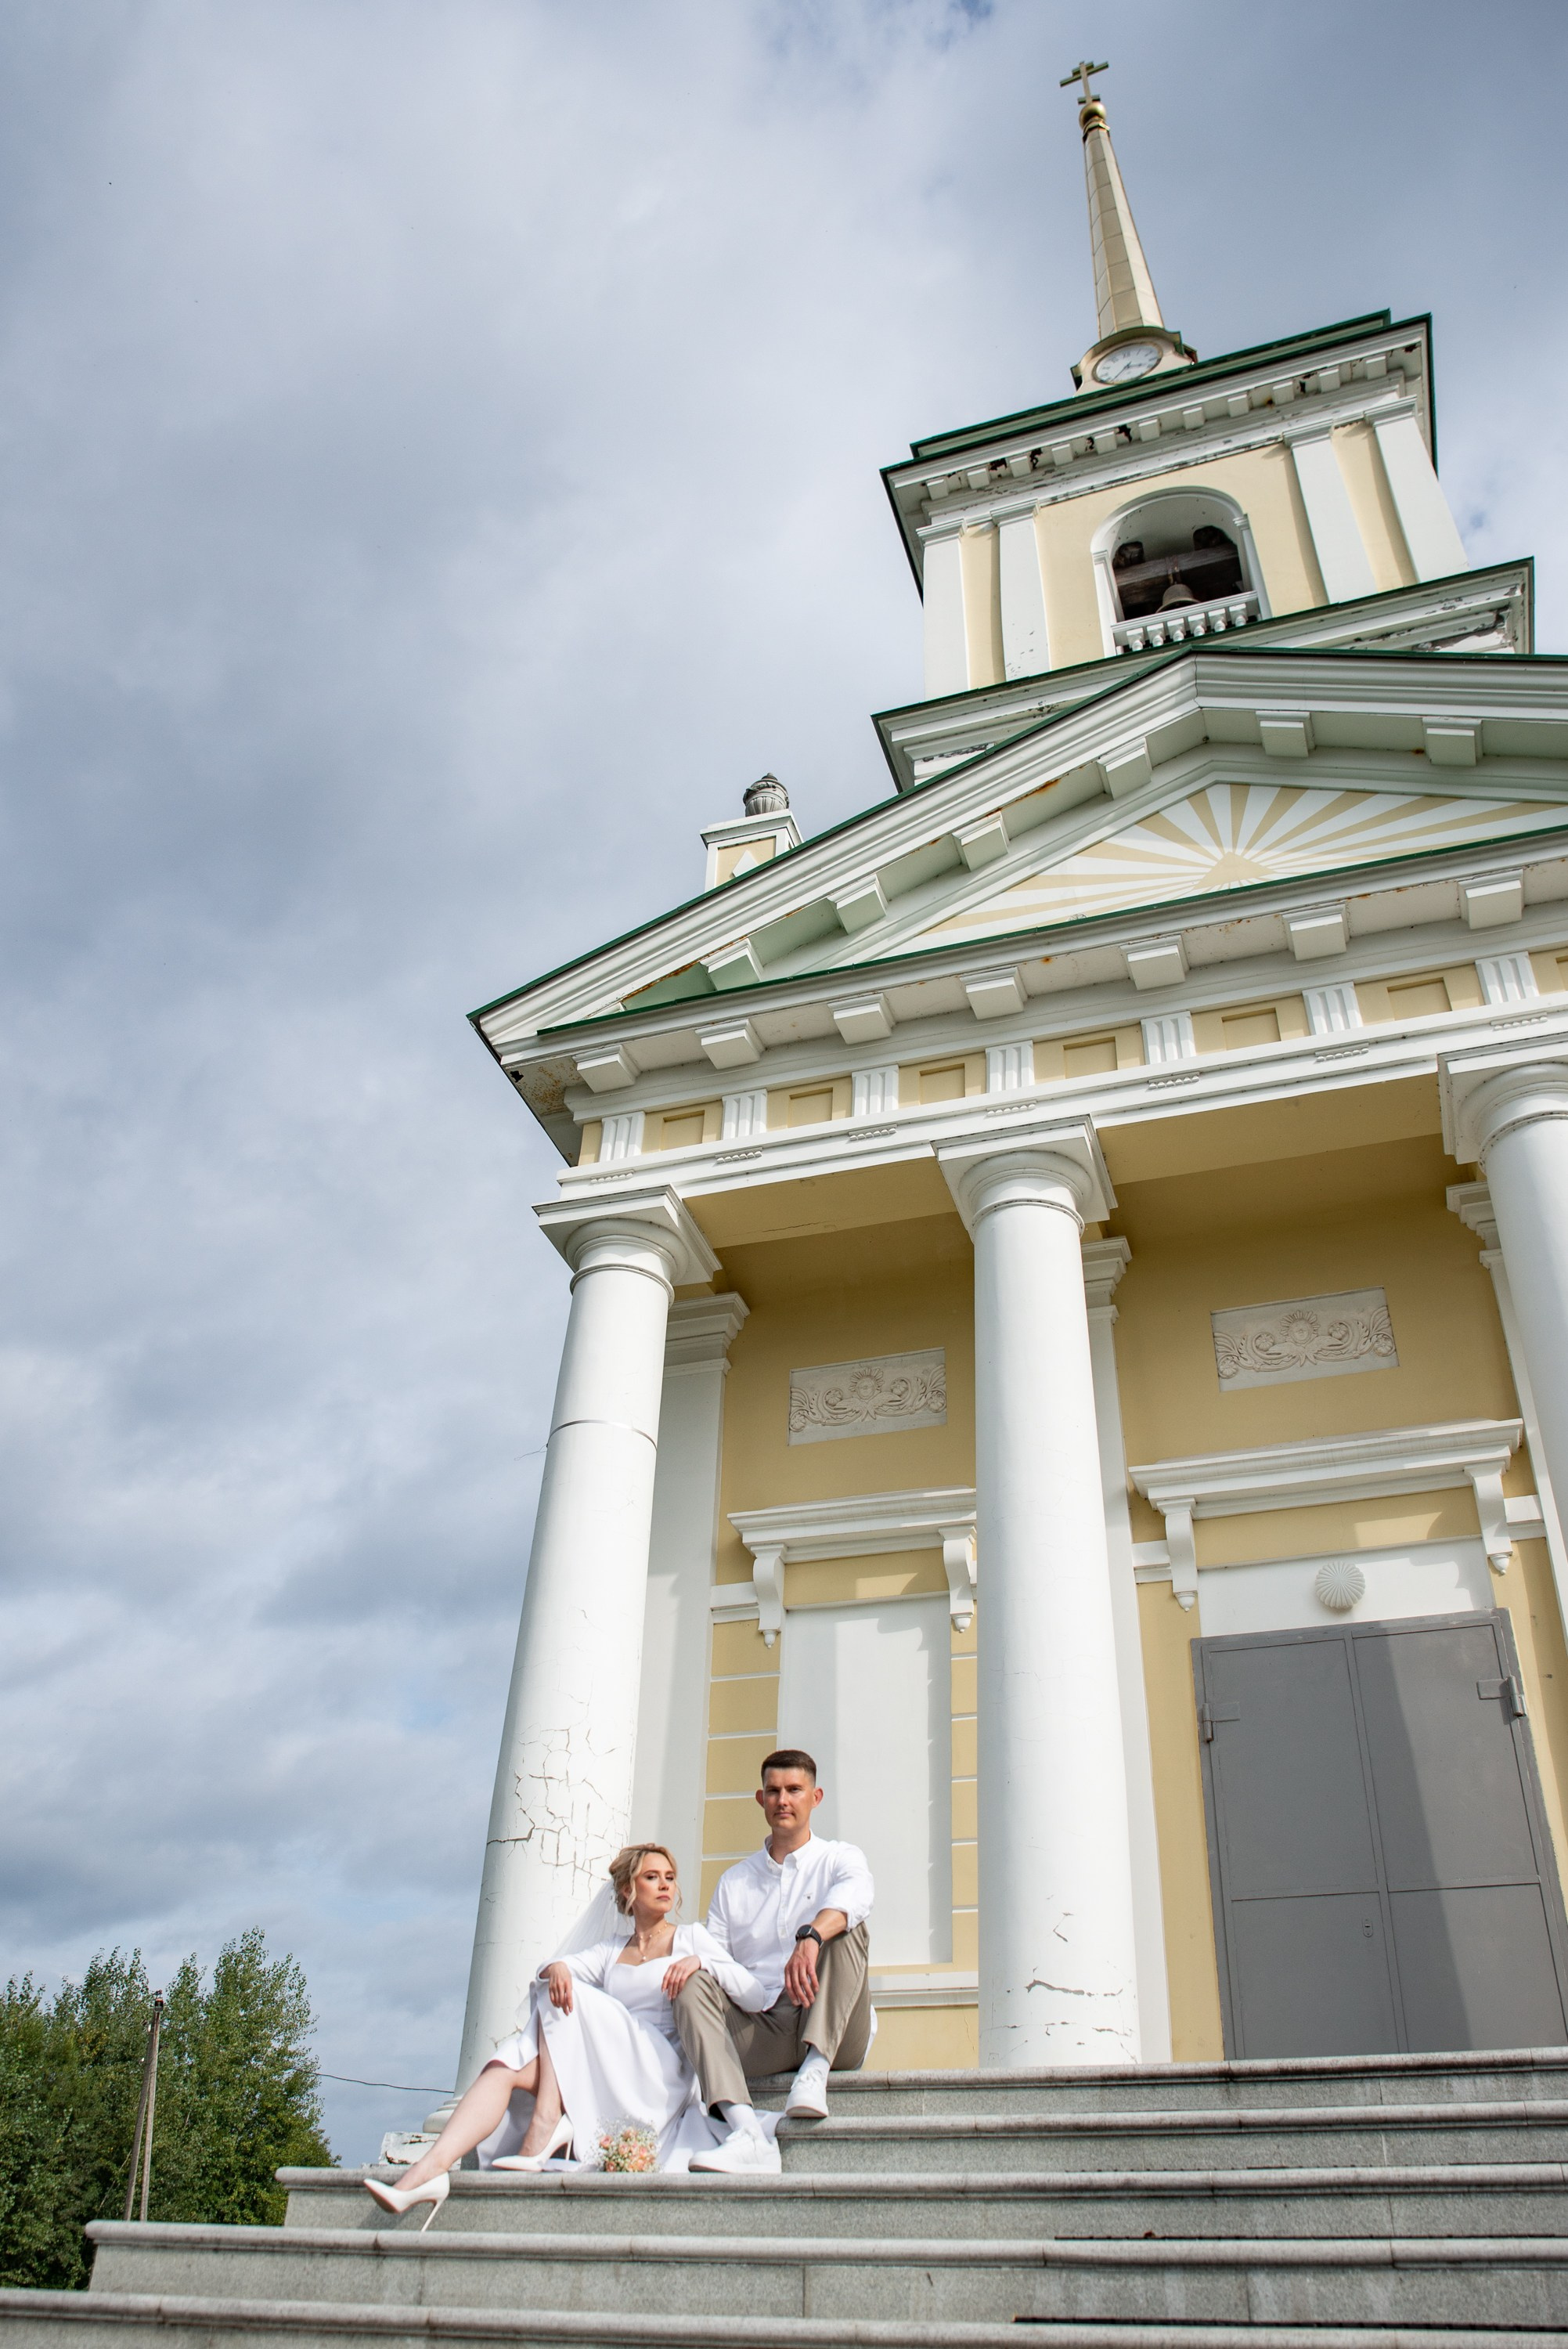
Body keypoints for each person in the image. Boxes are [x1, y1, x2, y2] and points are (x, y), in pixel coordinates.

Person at [363, 1842, 771, 2223]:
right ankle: (428, 2172)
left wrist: (702, 1963)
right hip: (611, 2066)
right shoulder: (612, 1950)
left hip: (660, 2072)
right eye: (652, 1877)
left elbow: (754, 1995)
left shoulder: (691, 1938)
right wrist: (555, 1967)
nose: (665, 1884)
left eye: (669, 1877)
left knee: (570, 1996)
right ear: (629, 1888)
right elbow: (548, 1971)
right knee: (505, 2066)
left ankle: (547, 2119)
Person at [672, 1747, 874, 2176]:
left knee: (847, 1926)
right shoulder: (734, 1882)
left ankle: (813, 2073)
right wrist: (696, 1962)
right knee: (694, 1980)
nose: (783, 1799)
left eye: (794, 1790)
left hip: (836, 2029)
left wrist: (812, 1936)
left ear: (815, 1798)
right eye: (774, 1791)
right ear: (760, 1799)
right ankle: (746, 2133)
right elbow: (718, 1958)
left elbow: (856, 1895)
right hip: (761, 2029)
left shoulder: (840, 1857)